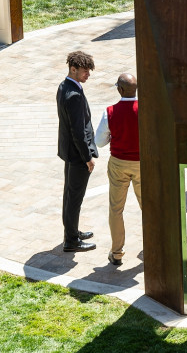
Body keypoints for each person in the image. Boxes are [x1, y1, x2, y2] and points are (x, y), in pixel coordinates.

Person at [92, 73, 142, 265]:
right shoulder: (145, 109)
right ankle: (153, 248)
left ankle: (117, 252)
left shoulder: (110, 111)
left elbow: (99, 142)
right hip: (142, 164)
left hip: (119, 163)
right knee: (148, 208)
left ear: (120, 89)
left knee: (116, 209)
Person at [56, 50, 99, 252]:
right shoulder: (73, 95)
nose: (87, 75)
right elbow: (78, 132)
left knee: (69, 195)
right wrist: (88, 157)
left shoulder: (65, 86)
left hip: (69, 153)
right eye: (84, 71)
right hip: (77, 155)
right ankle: (71, 241)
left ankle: (72, 232)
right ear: (72, 69)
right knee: (74, 198)